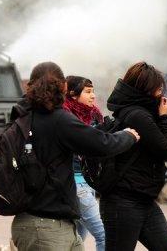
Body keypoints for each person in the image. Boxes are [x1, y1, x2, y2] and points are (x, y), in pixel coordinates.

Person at [0, 62, 140, 251]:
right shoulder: (61, 120)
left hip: (46, 227)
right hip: (47, 230)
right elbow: (102, 144)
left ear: (30, 86)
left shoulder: (21, 120)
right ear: (63, 86)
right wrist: (128, 136)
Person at [101, 62, 167, 251]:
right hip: (124, 202)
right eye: (158, 89)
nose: (161, 94)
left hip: (144, 200)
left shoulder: (134, 112)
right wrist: (163, 117)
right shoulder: (137, 115)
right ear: (146, 89)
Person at [63, 76, 105, 251]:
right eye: (88, 92)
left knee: (76, 238)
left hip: (87, 182)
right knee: (104, 235)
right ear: (73, 94)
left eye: (93, 91)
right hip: (76, 182)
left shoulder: (92, 115)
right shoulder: (66, 118)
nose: (93, 96)